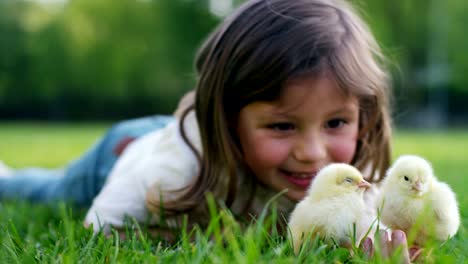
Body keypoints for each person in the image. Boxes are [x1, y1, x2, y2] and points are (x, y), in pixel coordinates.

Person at [0, 0, 417, 261]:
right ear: (228, 119)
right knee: (49, 191)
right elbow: (98, 230)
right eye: (282, 125)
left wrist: (377, 246)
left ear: (363, 114)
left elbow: (366, 225)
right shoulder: (170, 172)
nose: (313, 152)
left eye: (335, 123)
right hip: (126, 151)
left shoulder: (351, 174)